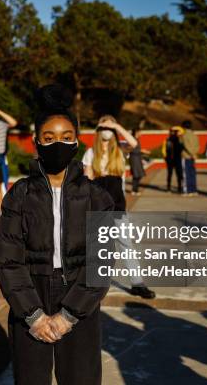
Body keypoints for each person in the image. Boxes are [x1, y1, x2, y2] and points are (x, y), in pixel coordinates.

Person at [0, 84, 114, 385]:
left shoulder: (98, 198)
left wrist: (68, 315)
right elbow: (9, 261)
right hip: (31, 296)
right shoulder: (18, 196)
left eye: (65, 137)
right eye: (48, 138)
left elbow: (101, 261)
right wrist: (33, 315)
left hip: (79, 298)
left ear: (77, 142)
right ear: (36, 142)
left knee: (81, 379)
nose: (57, 144)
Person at [81, 115, 155, 299]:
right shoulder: (90, 153)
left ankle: (138, 284)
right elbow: (87, 181)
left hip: (117, 205)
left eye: (110, 127)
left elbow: (134, 143)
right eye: (103, 126)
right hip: (98, 206)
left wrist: (116, 125)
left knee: (125, 244)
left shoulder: (121, 149)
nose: (106, 130)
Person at [162, 126, 184, 194]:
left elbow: (182, 131)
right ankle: (168, 188)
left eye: (174, 131)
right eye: (171, 131)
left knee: (179, 174)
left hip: (177, 159)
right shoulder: (167, 140)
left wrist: (178, 130)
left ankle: (180, 188)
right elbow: (164, 149)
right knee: (169, 174)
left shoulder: (180, 139)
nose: (172, 133)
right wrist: (165, 156)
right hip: (170, 159)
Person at [180, 120, 199, 196]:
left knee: (186, 174)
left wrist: (192, 154)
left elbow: (186, 146)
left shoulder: (184, 136)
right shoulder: (194, 135)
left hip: (187, 156)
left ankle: (187, 191)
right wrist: (195, 154)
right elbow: (198, 146)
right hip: (193, 157)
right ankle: (193, 190)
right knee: (192, 174)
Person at [128, 128, 147, 196]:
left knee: (139, 175)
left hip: (138, 159)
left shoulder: (137, 140)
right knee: (136, 175)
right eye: (140, 132)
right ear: (136, 132)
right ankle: (134, 190)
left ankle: (135, 189)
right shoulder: (132, 140)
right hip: (134, 159)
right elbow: (131, 150)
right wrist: (142, 151)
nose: (141, 134)